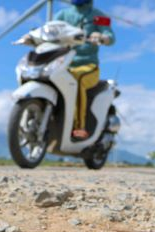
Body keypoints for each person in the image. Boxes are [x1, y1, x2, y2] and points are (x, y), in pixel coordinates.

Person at [54, 0, 115, 139]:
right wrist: (31, 36)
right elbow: (48, 30)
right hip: (63, 64)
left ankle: (79, 127)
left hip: (88, 66)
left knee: (77, 79)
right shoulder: (62, 15)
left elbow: (111, 36)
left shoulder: (99, 16)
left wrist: (102, 37)